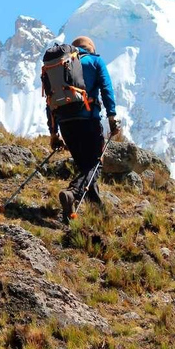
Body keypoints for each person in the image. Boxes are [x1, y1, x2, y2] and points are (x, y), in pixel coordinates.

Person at [46, 36, 120, 221]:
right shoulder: (95, 61)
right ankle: (71, 193)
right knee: (95, 164)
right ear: (91, 49)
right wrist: (112, 117)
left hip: (65, 125)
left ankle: (97, 213)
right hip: (88, 121)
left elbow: (49, 101)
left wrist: (53, 133)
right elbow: (106, 88)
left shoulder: (60, 67)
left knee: (86, 167)